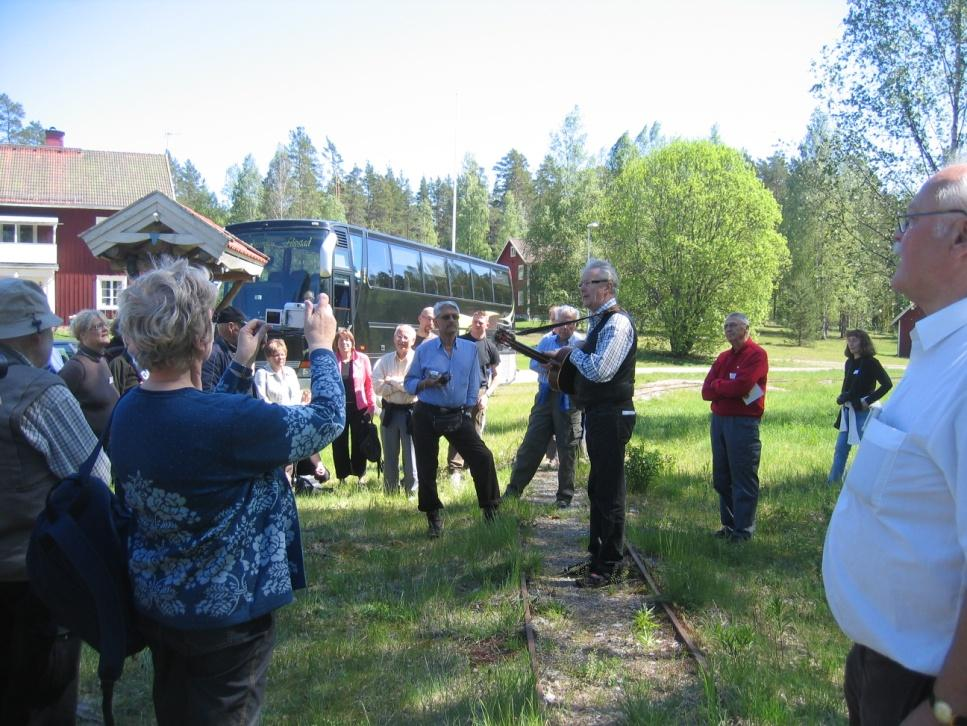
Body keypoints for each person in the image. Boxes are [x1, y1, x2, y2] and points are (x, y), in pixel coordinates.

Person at [110, 257, 344, 725]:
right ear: (202, 339)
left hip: (160, 605)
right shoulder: (227, 423)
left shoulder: (128, 410)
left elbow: (196, 417)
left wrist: (238, 365)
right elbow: (327, 419)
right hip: (228, 621)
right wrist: (321, 348)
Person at [822, 164, 967, 725]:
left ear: (960, 236)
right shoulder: (936, 351)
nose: (897, 238)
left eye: (909, 223)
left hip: (924, 689)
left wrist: (945, 709)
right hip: (877, 669)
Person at [0, 278, 110, 724]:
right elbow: (94, 476)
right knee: (42, 700)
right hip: (33, 573)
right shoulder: (37, 391)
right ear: (31, 334)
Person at [552, 260, 637, 587]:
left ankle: (610, 565)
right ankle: (596, 558)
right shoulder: (601, 323)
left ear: (608, 287)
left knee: (610, 491)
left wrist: (571, 354)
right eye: (581, 284)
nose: (582, 289)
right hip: (600, 414)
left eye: (589, 283)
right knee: (598, 488)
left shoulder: (616, 324)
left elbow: (601, 370)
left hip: (613, 415)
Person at [404, 300, 501, 536]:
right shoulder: (424, 350)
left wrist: (467, 409)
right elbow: (409, 383)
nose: (451, 321)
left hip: (457, 414)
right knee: (427, 468)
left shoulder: (470, 350)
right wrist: (426, 383)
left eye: (455, 317)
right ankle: (433, 518)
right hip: (426, 414)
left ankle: (491, 511)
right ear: (435, 323)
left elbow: (473, 383)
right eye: (446, 317)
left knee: (483, 458)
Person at [503, 305, 584, 507]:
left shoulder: (581, 342)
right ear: (554, 323)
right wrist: (544, 365)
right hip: (545, 397)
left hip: (569, 400)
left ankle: (564, 496)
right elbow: (533, 364)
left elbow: (585, 368)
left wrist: (566, 367)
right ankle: (513, 491)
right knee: (532, 443)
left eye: (569, 323)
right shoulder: (547, 340)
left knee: (568, 448)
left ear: (575, 324)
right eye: (561, 323)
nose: (565, 327)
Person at [701, 312, 768, 543]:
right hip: (719, 421)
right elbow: (705, 391)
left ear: (746, 328)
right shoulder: (723, 357)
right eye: (726, 326)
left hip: (743, 422)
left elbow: (742, 387)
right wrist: (723, 386)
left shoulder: (757, 355)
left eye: (733, 325)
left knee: (743, 476)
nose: (728, 329)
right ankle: (729, 527)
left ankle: (744, 531)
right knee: (722, 477)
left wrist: (720, 386)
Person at [827, 329, 893, 484]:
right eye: (849, 340)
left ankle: (873, 481)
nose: (851, 343)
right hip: (847, 411)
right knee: (841, 448)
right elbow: (848, 386)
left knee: (867, 449)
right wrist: (843, 397)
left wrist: (867, 400)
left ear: (863, 342)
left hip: (863, 413)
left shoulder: (871, 362)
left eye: (854, 340)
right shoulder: (849, 362)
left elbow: (887, 384)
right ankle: (833, 483)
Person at [447, 309, 500, 486]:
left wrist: (487, 395)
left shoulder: (490, 346)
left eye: (481, 322)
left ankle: (472, 465)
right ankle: (455, 468)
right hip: (460, 390)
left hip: (479, 393)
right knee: (456, 427)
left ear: (487, 325)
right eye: (475, 321)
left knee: (475, 431)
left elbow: (496, 375)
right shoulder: (460, 341)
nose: (477, 324)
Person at [372, 324, 418, 495]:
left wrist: (391, 381)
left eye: (406, 337)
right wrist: (402, 384)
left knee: (411, 455)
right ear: (394, 338)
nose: (402, 340)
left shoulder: (417, 360)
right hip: (389, 412)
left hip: (411, 413)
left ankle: (412, 492)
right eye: (399, 336)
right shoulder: (383, 361)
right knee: (390, 454)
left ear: (413, 340)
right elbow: (377, 387)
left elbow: (415, 387)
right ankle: (390, 491)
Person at [58, 308, 120, 436]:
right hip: (91, 447)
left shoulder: (102, 360)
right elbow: (58, 408)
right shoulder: (76, 367)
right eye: (98, 326)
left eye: (105, 325)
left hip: (110, 442)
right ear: (82, 334)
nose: (105, 329)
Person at [332, 328, 376, 485]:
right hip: (338, 409)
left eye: (348, 340)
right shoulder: (332, 360)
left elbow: (369, 384)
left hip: (359, 408)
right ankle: (342, 477)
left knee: (359, 442)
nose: (345, 343)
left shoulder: (362, 359)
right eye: (341, 340)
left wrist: (372, 406)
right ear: (336, 343)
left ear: (352, 343)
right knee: (339, 443)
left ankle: (360, 475)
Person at [201, 305, 246, 392]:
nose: (246, 332)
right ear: (231, 327)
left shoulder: (232, 351)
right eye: (243, 327)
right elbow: (209, 394)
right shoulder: (214, 354)